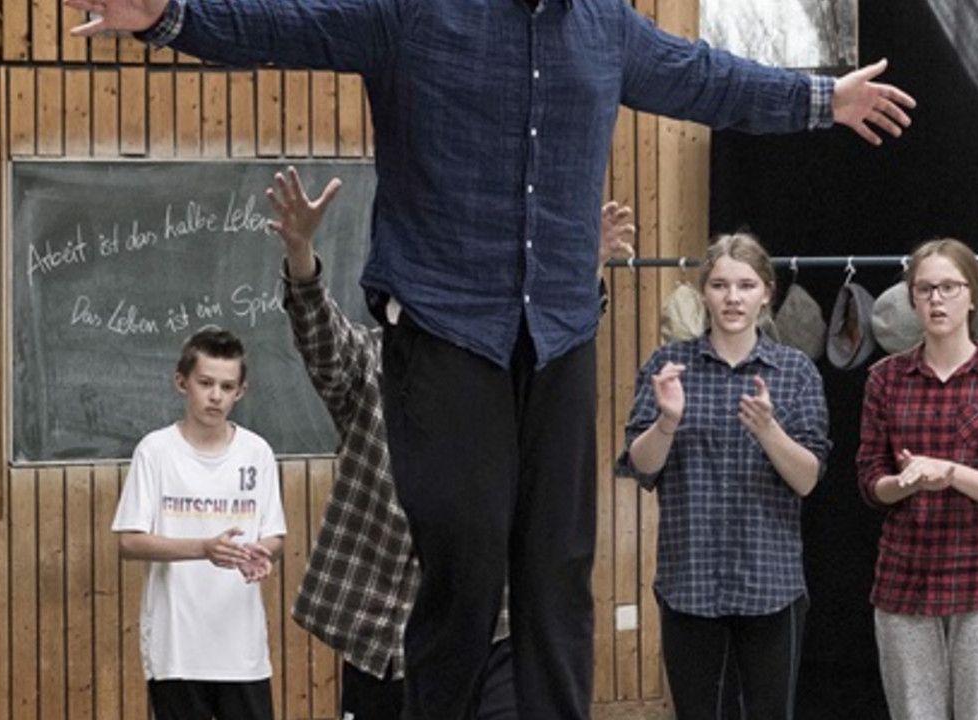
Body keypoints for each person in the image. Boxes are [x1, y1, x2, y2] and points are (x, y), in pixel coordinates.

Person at [65, 3, 915, 717]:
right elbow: (289, 21)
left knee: (556, 567)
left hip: (556, 330)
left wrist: (818, 99)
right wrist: (171, 15)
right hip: (443, 325)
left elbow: (705, 77)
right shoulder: (411, 13)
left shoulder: (604, 27)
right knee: (466, 551)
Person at [265, 165, 635, 720]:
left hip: (493, 627)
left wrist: (586, 270)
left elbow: (553, 348)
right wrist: (300, 251)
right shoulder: (373, 362)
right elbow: (319, 335)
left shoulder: (505, 370)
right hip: (383, 629)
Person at [617, 232, 830, 720]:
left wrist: (769, 429)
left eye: (746, 285)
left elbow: (807, 479)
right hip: (689, 581)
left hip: (771, 584)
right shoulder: (668, 367)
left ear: (766, 293)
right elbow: (642, 466)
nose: (733, 297)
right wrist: (667, 421)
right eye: (719, 285)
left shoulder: (795, 372)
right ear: (704, 293)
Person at [856, 238, 978, 720]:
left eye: (949, 287)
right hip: (904, 582)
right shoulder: (885, 379)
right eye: (925, 289)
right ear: (911, 299)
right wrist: (908, 482)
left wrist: (951, 473)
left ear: (972, 295)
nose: (937, 299)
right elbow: (870, 480)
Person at [111, 328, 287, 720]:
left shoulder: (257, 453)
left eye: (227, 386)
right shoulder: (155, 451)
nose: (215, 396)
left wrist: (260, 552)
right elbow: (129, 542)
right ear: (181, 382)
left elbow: (273, 534)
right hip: (176, 649)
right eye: (205, 383)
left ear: (241, 391)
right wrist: (203, 549)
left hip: (242, 649)